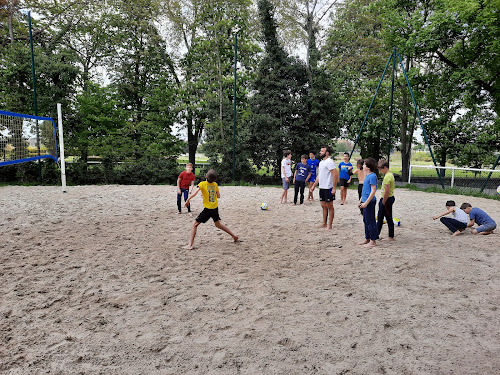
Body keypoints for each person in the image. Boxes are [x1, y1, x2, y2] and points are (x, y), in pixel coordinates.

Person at [183, 169, 239, 250]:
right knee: (218, 224)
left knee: (194, 224)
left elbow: (195, 193)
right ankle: (234, 236)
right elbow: (218, 196)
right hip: (215, 208)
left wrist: (188, 200)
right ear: (214, 179)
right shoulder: (215, 184)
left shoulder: (202, 184)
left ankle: (190, 245)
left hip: (208, 209)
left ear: (206, 176)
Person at [311, 146, 338, 229]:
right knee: (323, 205)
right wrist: (314, 185)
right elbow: (319, 175)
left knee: (330, 206)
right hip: (322, 187)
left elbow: (335, 175)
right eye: (320, 151)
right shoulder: (321, 162)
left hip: (328, 187)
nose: (320, 152)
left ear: (327, 153)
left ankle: (330, 225)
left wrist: (334, 188)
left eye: (322, 151)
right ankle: (324, 223)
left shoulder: (329, 162)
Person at [357, 157, 378, 247]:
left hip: (369, 202)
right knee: (365, 220)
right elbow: (365, 190)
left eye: (365, 164)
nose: (363, 165)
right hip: (365, 201)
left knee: (370, 221)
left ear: (368, 167)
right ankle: (367, 238)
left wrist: (366, 203)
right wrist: (361, 200)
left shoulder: (372, 176)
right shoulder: (366, 176)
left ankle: (373, 241)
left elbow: (373, 191)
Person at [377, 159, 396, 241]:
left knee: (388, 217)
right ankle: (376, 234)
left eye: (380, 169)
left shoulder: (387, 177)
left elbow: (387, 191)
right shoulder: (389, 175)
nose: (380, 171)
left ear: (385, 167)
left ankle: (391, 236)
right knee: (380, 217)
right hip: (386, 198)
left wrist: (383, 202)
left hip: (387, 199)